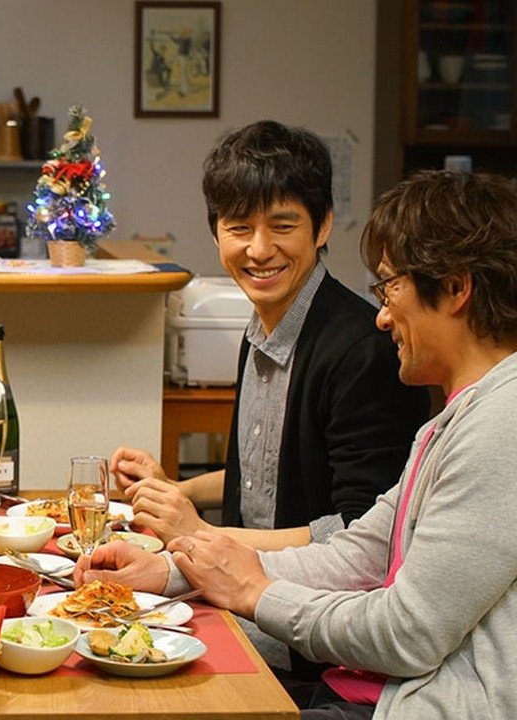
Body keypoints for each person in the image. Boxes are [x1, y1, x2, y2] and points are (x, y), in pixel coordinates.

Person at [78, 170, 517, 720]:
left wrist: (253, 593)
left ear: (455, 288)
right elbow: (359, 554)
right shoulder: (456, 419)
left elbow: (407, 633)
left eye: (389, 287)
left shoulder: (502, 426)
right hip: (360, 689)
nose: (383, 316)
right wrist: (174, 571)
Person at [112, 121, 429, 553]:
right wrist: (176, 490)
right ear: (216, 233)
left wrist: (200, 533)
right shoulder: (262, 328)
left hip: (307, 593)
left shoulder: (363, 351)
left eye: (282, 226)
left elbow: (364, 534)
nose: (259, 250)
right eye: (240, 228)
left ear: (322, 227)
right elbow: (263, 477)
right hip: (242, 583)